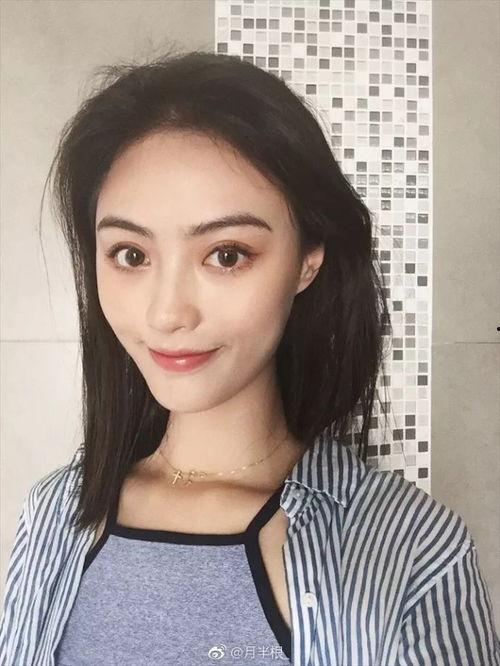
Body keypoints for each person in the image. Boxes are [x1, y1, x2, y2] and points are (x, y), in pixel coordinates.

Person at [1, 49, 498, 666]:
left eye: (227, 255)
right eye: (131, 255)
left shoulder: (411, 547)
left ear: (307, 260)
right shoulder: (56, 514)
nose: (167, 313)